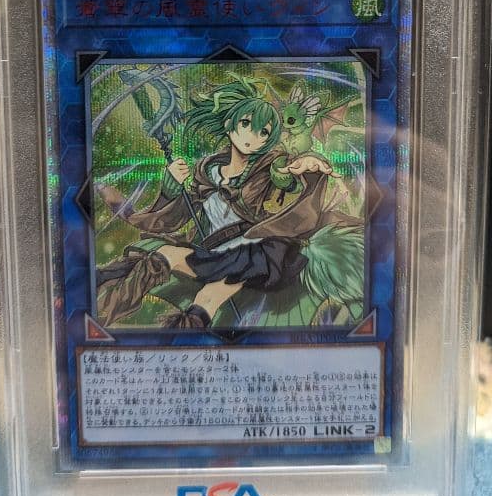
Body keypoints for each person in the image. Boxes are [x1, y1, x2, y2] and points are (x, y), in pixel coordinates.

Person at [97, 77, 357, 328]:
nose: (253, 135)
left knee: (204, 292)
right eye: (246, 124)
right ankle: (103, 315)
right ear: (230, 125)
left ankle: (179, 342)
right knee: (178, 269)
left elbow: (285, 173)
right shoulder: (206, 173)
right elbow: (172, 219)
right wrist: (170, 188)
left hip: (255, 254)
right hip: (216, 252)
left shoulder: (268, 168)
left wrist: (308, 162)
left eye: (264, 132)